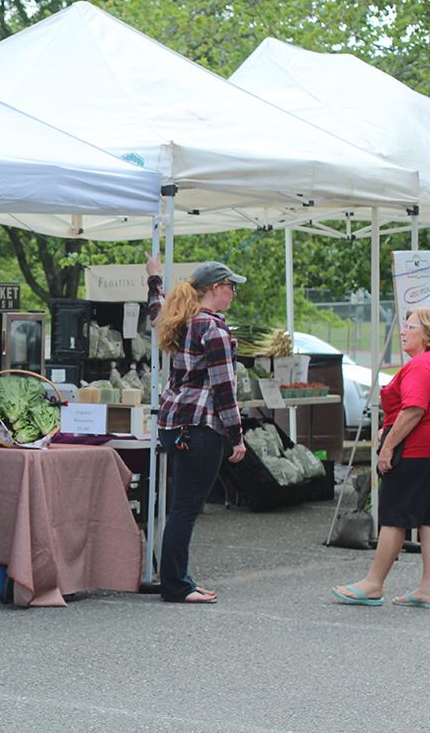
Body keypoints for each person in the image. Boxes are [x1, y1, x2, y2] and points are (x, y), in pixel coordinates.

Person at [332, 307, 430, 608]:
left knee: (393, 516)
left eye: (410, 326)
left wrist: (388, 445)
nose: (403, 330)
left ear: (428, 333)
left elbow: (414, 409)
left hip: (419, 449)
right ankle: (429, 588)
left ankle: (373, 583)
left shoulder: (423, 364)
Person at [146, 255, 247, 604]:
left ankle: (179, 579)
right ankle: (176, 586)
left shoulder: (180, 320)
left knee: (180, 506)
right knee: (186, 508)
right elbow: (224, 388)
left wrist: (155, 279)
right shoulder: (214, 330)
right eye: (231, 287)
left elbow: (156, 311)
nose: (233, 293)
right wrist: (237, 436)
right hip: (201, 425)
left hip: (173, 422)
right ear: (215, 289)